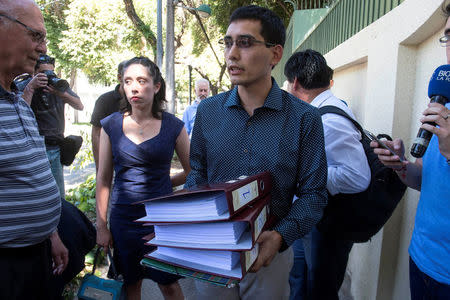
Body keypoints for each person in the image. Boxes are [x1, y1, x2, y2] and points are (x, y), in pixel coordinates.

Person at [185, 5, 328, 299]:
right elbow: (197, 171)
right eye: (228, 42)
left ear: (275, 54)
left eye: (245, 43)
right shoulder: (209, 112)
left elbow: (314, 193)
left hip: (270, 255)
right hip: (213, 250)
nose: (232, 54)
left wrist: (280, 236)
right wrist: (192, 216)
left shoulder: (304, 118)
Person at [371, 3, 450, 299]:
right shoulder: (442, 107)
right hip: (421, 258)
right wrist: (402, 165)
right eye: (449, 35)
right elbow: (424, 179)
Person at [95, 56, 191, 300]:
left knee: (168, 283)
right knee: (130, 283)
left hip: (161, 219)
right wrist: (102, 226)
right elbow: (104, 179)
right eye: (128, 81)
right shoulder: (111, 125)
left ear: (156, 86)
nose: (134, 87)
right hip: (124, 219)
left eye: (141, 80)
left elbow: (192, 169)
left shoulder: (173, 126)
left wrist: (163, 185)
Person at [284, 49, 371, 300]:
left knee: (320, 288)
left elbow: (357, 176)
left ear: (295, 83)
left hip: (326, 225)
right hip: (311, 217)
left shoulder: (328, 119)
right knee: (299, 278)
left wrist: (307, 178)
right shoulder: (320, 111)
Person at [0, 0, 68, 299]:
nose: (43, 48)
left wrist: (50, 233)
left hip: (36, 256)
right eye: (36, 36)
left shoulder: (17, 99)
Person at [15, 54, 83, 199]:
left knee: (59, 196)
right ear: (34, 73)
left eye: (51, 72)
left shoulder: (57, 86)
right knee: (37, 195)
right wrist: (31, 87)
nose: (48, 77)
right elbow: (18, 111)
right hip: (35, 149)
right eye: (43, 73)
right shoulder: (24, 85)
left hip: (56, 148)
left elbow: (79, 105)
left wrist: (60, 93)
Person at [91, 60, 127, 171]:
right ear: (119, 77)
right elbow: (96, 133)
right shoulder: (104, 100)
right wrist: (100, 166)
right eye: (128, 79)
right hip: (110, 162)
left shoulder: (141, 100)